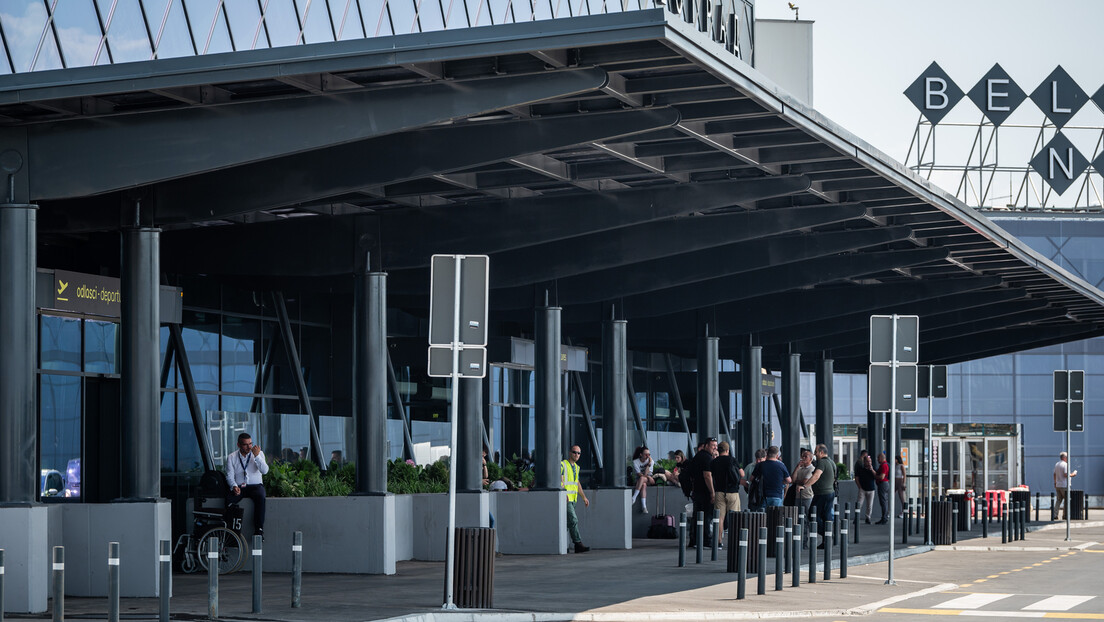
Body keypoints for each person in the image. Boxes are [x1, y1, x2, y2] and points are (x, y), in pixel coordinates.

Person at [225, 432, 269, 539]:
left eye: (250, 443)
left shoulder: (259, 454)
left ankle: (259, 529)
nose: (249, 447)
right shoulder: (232, 457)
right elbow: (229, 476)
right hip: (240, 487)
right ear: (238, 445)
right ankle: (230, 531)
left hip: (255, 486)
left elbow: (265, 471)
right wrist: (234, 486)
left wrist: (257, 456)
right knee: (229, 501)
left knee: (260, 496)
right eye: (245, 444)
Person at [710, 441, 744, 547]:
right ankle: (735, 542)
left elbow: (711, 476)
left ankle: (719, 541)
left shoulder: (714, 462)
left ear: (718, 450)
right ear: (727, 450)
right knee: (735, 517)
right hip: (733, 492)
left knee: (719, 518)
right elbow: (742, 474)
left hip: (719, 492)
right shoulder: (732, 460)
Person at [800, 444, 836, 542]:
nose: (815, 454)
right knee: (826, 516)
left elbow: (816, 476)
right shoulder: (831, 462)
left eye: (816, 452)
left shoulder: (822, 462)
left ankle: (826, 534)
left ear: (821, 452)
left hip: (822, 494)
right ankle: (826, 540)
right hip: (829, 493)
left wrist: (805, 486)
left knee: (813, 515)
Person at [561, 445, 590, 553]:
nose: (576, 455)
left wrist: (584, 497)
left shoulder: (577, 467)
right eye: (574, 452)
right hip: (566, 499)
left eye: (578, 453)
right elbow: (561, 480)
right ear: (570, 453)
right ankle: (578, 543)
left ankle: (565, 546)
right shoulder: (563, 464)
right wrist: (564, 494)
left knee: (567, 523)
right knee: (573, 520)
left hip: (573, 499)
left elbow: (577, 483)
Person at [689, 437, 718, 541]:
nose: (715, 448)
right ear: (706, 446)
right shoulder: (707, 458)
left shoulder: (698, 456)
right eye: (712, 445)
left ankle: (695, 539)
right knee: (706, 516)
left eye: (716, 445)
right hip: (704, 492)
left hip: (697, 491)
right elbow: (707, 475)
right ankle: (706, 539)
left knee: (697, 516)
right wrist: (712, 492)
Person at [790, 449, 815, 519]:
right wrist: (797, 467)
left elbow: (805, 481)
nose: (803, 458)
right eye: (802, 456)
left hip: (807, 496)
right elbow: (793, 479)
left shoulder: (812, 469)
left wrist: (797, 481)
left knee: (807, 514)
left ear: (810, 459)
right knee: (797, 515)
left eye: (805, 456)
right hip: (798, 495)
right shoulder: (800, 469)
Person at [1053, 451, 1078, 520]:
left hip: (1058, 485)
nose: (1067, 458)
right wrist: (1073, 474)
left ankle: (1055, 514)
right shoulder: (1065, 465)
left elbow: (1054, 474)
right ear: (1064, 457)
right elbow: (1066, 474)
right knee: (1067, 501)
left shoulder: (1057, 464)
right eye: (1067, 457)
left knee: (1058, 500)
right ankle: (1065, 515)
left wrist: (1055, 483)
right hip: (1065, 485)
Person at [854, 452, 877, 524]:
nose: (869, 463)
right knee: (859, 503)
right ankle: (856, 517)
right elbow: (857, 478)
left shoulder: (873, 468)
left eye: (870, 461)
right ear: (864, 462)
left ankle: (868, 517)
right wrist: (860, 487)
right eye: (867, 461)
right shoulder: (861, 469)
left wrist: (871, 469)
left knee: (869, 505)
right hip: (863, 489)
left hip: (871, 489)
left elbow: (876, 476)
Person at [631, 446, 656, 513]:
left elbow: (648, 474)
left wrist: (649, 464)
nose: (647, 456)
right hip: (640, 479)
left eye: (649, 454)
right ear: (641, 454)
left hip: (649, 480)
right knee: (643, 485)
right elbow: (639, 474)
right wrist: (647, 477)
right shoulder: (635, 462)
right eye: (646, 454)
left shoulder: (651, 461)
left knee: (643, 479)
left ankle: (634, 498)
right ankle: (644, 507)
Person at [874, 451, 890, 524]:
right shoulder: (884, 465)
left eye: (878, 458)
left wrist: (876, 476)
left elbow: (882, 476)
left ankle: (884, 517)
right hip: (884, 484)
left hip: (883, 484)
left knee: (883, 501)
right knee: (884, 501)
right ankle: (884, 517)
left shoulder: (884, 465)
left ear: (881, 458)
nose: (877, 459)